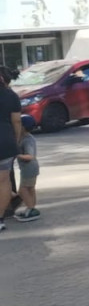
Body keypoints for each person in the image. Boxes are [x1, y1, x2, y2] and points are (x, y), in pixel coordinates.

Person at [0, 67, 21, 233]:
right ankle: (0, 219)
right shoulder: (11, 96)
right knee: (4, 181)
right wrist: (16, 140)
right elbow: (16, 122)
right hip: (5, 142)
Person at [14, 114, 40, 223]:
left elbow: (30, 156)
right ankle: (31, 208)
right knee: (30, 189)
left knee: (22, 190)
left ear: (23, 127)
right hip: (29, 168)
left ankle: (31, 209)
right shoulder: (23, 137)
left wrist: (17, 155)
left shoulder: (28, 140)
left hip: (29, 168)